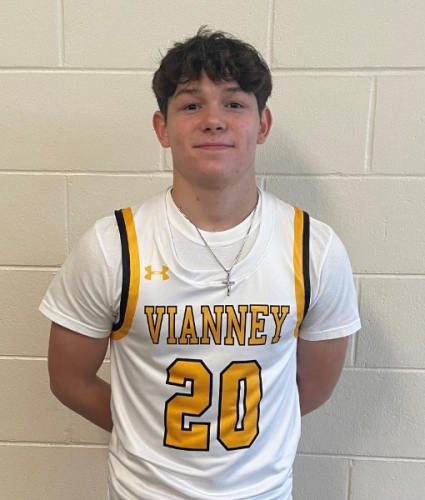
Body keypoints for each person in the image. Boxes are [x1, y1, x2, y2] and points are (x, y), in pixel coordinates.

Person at [40, 28, 361, 500]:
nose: (213, 120)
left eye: (234, 103)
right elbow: (69, 380)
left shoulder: (315, 249)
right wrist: (145, 428)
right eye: (191, 104)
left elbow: (308, 389)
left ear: (263, 124)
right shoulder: (113, 246)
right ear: (162, 128)